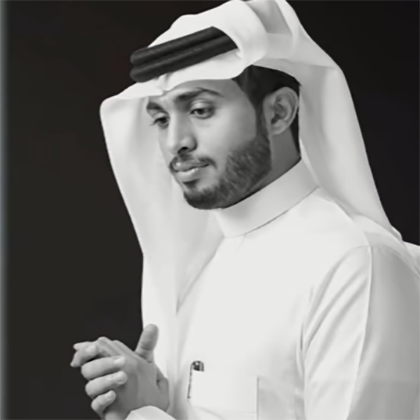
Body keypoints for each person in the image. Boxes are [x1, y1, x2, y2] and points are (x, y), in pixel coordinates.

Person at [70, 0, 420, 419]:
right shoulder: (202, 263)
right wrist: (158, 400)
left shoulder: (356, 264)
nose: (175, 142)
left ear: (279, 112)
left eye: (200, 110)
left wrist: (144, 415)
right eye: (161, 119)